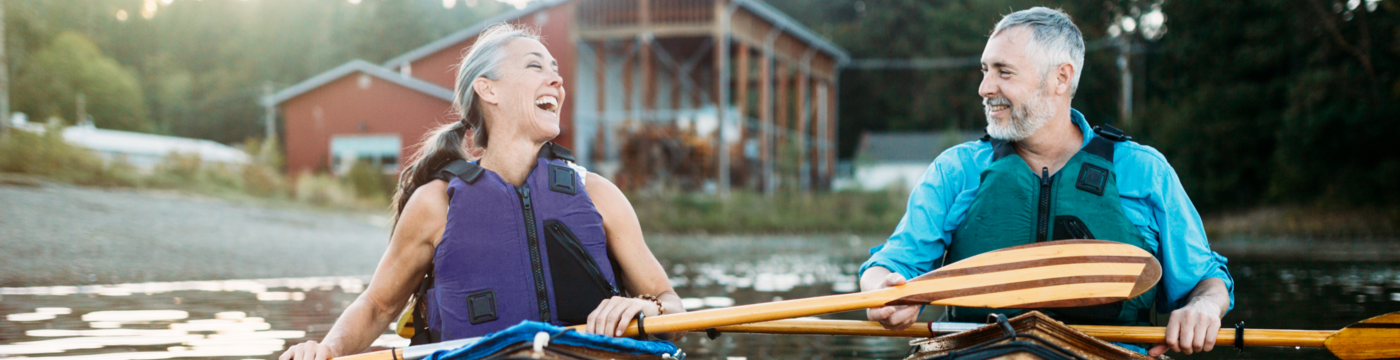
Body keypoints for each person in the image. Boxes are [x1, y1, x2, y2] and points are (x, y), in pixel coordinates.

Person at [280, 24, 684, 360]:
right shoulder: (435, 204)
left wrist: (646, 307)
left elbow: (671, 305)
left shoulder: (598, 194)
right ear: (488, 90)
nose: (557, 80)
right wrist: (326, 349)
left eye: (556, 69)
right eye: (534, 65)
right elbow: (376, 306)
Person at [858, 7, 1233, 357]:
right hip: (980, 352)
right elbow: (893, 263)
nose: (985, 88)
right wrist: (880, 289)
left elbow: (1206, 280)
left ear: (1061, 78)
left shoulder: (1144, 172)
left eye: (1003, 72)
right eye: (984, 70)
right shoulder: (956, 170)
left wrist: (1203, 307)